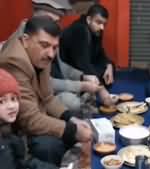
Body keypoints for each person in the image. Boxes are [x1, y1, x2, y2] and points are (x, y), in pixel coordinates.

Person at [0, 16, 92, 166]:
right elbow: (29, 120)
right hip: (15, 130)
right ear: (25, 40)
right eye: (44, 45)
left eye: (55, 47)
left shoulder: (42, 56)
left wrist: (70, 119)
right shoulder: (13, 62)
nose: (51, 54)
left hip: (36, 113)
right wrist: (71, 130)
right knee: (50, 145)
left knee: (72, 119)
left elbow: (48, 97)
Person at [0, 69, 59, 169]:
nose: (11, 106)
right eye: (1, 102)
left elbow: (25, 161)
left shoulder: (9, 134)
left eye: (13, 99)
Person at [60, 4, 115, 86]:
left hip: (86, 63)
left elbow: (100, 52)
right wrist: (100, 87)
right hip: (69, 70)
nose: (102, 27)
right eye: (99, 22)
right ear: (89, 19)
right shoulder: (79, 30)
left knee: (109, 68)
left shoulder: (97, 30)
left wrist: (109, 65)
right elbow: (82, 64)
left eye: (104, 24)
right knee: (100, 76)